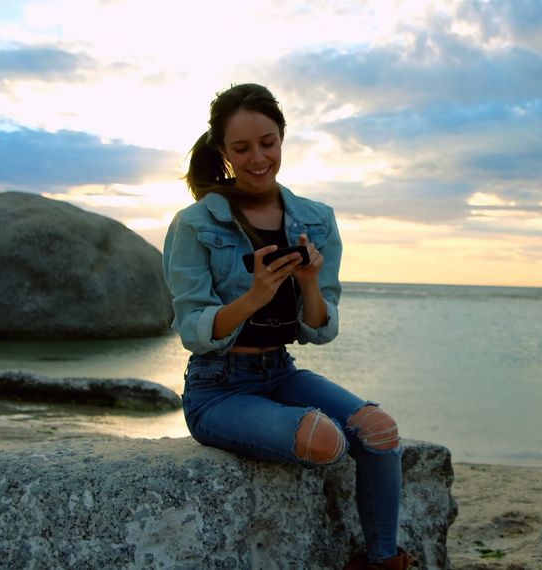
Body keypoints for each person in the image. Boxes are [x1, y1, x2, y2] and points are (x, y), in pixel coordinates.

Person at [161, 83, 417, 569]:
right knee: (327, 440)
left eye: (268, 143)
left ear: (282, 138)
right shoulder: (195, 224)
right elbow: (193, 328)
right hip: (218, 389)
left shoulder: (317, 220)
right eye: (242, 148)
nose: (258, 158)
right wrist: (253, 296)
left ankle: (383, 560)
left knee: (380, 432)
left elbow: (322, 329)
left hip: (281, 372)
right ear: (223, 152)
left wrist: (310, 282)